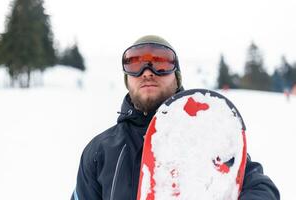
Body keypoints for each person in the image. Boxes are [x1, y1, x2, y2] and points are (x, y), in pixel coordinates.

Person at [71, 35, 280, 200]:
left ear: (177, 77)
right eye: (135, 64)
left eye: (160, 63)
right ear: (127, 80)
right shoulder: (100, 151)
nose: (147, 72)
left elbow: (259, 186)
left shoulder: (207, 133)